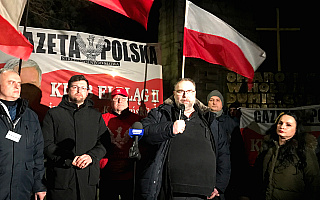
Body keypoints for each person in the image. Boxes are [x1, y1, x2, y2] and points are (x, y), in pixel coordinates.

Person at [140, 78, 229, 199]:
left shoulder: (209, 119)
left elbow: (223, 154)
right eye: (180, 91)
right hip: (171, 192)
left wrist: (219, 185)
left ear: (195, 94)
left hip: (203, 193)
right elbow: (143, 132)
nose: (184, 95)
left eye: (189, 91)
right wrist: (169, 129)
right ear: (174, 94)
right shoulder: (161, 114)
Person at [42, 74, 109, 200]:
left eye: (83, 88)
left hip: (88, 181)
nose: (79, 91)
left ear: (87, 92)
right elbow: (46, 144)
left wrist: (91, 157)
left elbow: (104, 143)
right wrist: (68, 158)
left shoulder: (96, 116)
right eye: (75, 87)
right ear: (68, 90)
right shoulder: (53, 114)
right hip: (61, 181)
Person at [0, 68, 46, 200]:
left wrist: (39, 185)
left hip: (22, 188)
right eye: (11, 82)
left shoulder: (30, 115)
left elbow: (38, 154)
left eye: (19, 83)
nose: (16, 86)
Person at [254, 112, 320, 200]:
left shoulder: (304, 151)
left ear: (296, 129)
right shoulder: (268, 148)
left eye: (288, 125)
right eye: (280, 123)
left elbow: (314, 182)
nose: (282, 127)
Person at [99, 88, 142, 200]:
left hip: (130, 175)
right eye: (116, 98)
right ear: (111, 101)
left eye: (123, 98)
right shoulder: (102, 119)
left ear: (128, 101)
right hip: (107, 174)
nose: (120, 101)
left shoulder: (137, 120)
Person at [207, 90, 249, 200]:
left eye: (217, 100)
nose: (214, 103)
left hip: (227, 171)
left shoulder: (231, 124)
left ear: (222, 103)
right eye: (211, 100)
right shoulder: (203, 122)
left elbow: (238, 152)